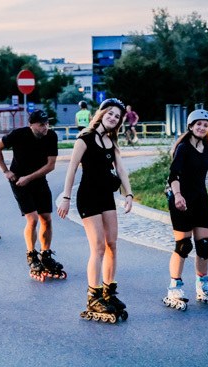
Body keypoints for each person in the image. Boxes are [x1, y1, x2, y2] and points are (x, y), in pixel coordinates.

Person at [58, 98, 133, 322]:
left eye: (117, 116)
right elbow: (71, 169)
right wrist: (65, 197)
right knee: (98, 247)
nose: (113, 118)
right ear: (101, 114)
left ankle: (109, 292)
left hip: (106, 198)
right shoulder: (85, 138)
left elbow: (120, 169)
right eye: (110, 113)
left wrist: (128, 194)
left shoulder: (112, 141)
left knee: (112, 244)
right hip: (88, 197)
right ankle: (94, 296)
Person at [163, 109, 208, 311]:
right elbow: (174, 175)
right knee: (184, 246)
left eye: (205, 124)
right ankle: (174, 287)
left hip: (200, 201)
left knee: (203, 246)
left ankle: (201, 285)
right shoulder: (183, 148)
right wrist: (177, 196)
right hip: (181, 201)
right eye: (198, 124)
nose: (202, 127)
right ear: (191, 126)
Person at [0, 110, 63, 280]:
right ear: (31, 125)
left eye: (47, 124)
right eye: (41, 125)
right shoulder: (19, 135)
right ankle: (31, 254)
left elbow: (51, 165)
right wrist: (5, 171)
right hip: (18, 181)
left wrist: (30, 178)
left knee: (46, 217)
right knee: (33, 219)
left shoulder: (51, 136)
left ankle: (45, 254)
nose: (45, 127)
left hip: (37, 180)